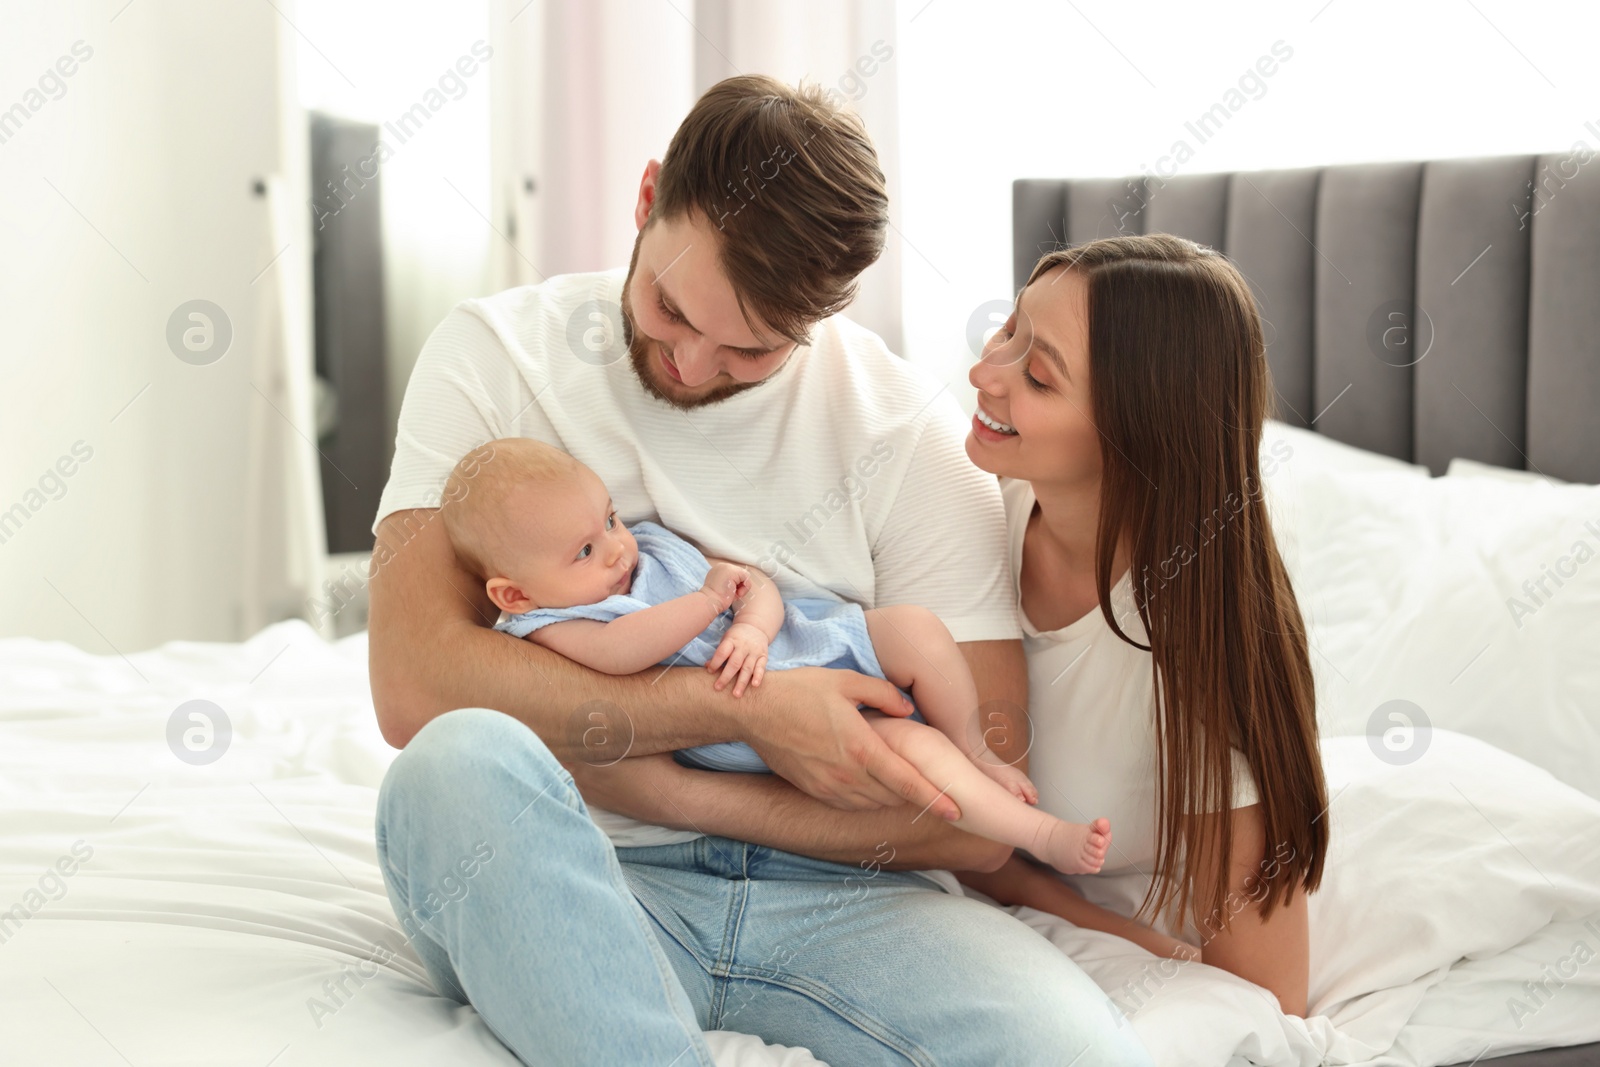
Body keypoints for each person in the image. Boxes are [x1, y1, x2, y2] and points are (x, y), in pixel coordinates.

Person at [367, 74, 1151, 1066]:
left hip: (853, 898)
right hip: (578, 868)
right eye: (668, 309)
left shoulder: (903, 432)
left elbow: (976, 823)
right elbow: (413, 684)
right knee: (452, 766)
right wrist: (738, 710)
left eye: (748, 350)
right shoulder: (492, 356)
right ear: (646, 197)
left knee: (1085, 1054)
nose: (690, 363)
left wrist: (690, 794)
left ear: (822, 312)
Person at [436, 435, 1113, 875]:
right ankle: (1041, 834)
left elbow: (750, 583)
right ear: (515, 593)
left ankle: (981, 750)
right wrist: (707, 605)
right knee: (911, 747)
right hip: (769, 729)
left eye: (609, 518)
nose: (615, 547)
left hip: (810, 641)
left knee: (915, 628)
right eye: (584, 550)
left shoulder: (648, 545)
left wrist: (754, 625)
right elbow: (621, 652)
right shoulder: (558, 622)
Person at [957, 234, 1330, 1019]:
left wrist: (1086, 917)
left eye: (1036, 374)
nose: (982, 373)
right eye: (1007, 331)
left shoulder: (1201, 648)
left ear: (1133, 438)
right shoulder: (957, 505)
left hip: (1110, 926)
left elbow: (1268, 1003)